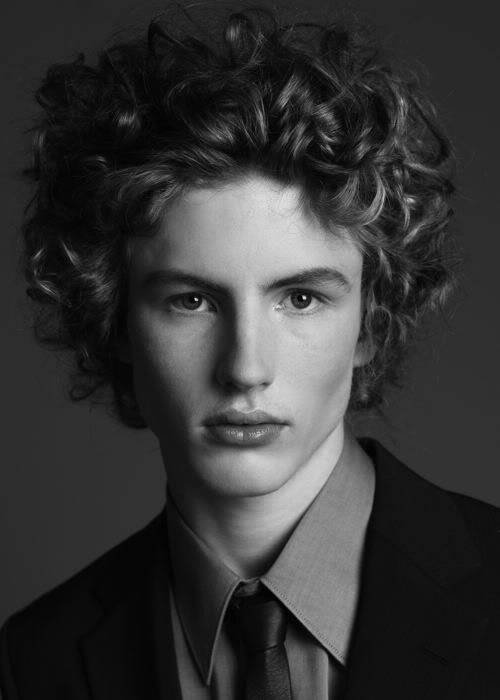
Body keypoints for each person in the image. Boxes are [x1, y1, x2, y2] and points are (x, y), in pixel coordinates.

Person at [1, 4, 499, 699]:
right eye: (192, 301)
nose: (245, 369)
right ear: (116, 322)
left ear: (371, 320)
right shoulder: (32, 666)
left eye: (301, 298)